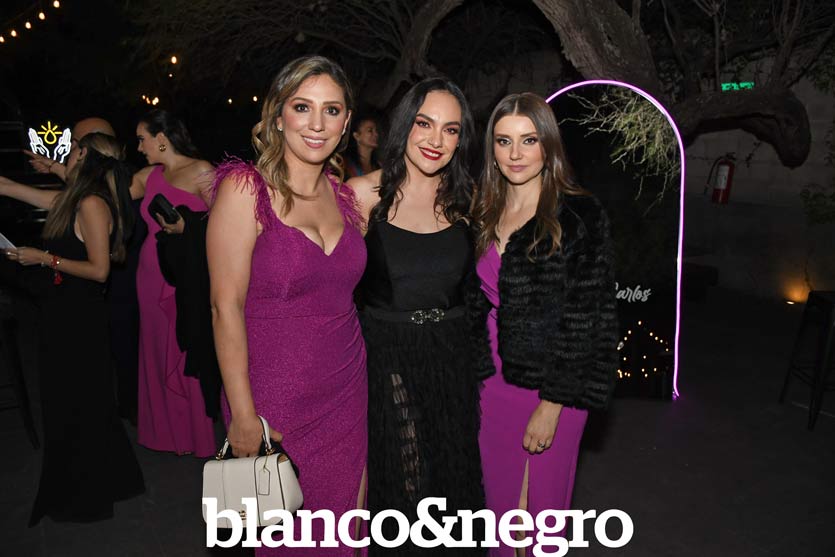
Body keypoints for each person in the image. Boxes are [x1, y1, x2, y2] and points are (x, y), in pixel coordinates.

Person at [207, 55, 366, 556]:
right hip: (273, 403)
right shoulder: (244, 188)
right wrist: (243, 413)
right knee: (282, 540)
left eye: (332, 110)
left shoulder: (345, 198)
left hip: (347, 394)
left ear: (346, 123)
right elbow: (224, 306)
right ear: (277, 116)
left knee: (341, 535)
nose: (317, 123)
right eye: (302, 107)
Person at [467, 92, 617, 556]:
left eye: (528, 140)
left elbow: (587, 319)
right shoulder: (483, 211)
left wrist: (552, 405)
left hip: (555, 385)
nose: (515, 154)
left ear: (548, 145)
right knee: (499, 513)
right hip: (492, 383)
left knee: (536, 517)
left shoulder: (578, 215)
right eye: (503, 141)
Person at [349, 78, 484, 555]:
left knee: (451, 478)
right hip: (387, 355)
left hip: (452, 357)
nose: (435, 140)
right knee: (407, 482)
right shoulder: (362, 196)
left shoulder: (467, 200)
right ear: (405, 125)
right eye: (425, 124)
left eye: (450, 129)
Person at [0, 132, 145, 524]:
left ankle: (84, 495)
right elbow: (14, 189)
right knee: (77, 401)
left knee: (75, 403)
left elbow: (99, 270)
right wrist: (23, 178)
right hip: (64, 311)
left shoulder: (93, 204)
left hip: (80, 318)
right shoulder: (75, 198)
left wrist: (44, 258)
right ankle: (112, 479)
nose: (68, 152)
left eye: (75, 148)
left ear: (85, 156)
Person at [132, 109, 216, 457]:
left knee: (186, 351)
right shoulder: (149, 176)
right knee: (156, 353)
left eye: (142, 139)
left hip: (187, 279)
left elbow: (225, 223)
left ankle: (196, 436)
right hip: (150, 280)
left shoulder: (202, 170)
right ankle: (166, 434)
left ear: (162, 139)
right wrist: (59, 169)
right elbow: (102, 189)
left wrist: (187, 226)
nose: (139, 148)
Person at [24, 117, 116, 180]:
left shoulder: (91, 201)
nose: (70, 148)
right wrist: (54, 166)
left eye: (76, 143)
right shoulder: (111, 191)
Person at [344, 109, 381, 178]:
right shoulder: (346, 166)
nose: (376, 134)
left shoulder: (378, 165)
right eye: (370, 130)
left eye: (376, 130)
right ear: (356, 136)